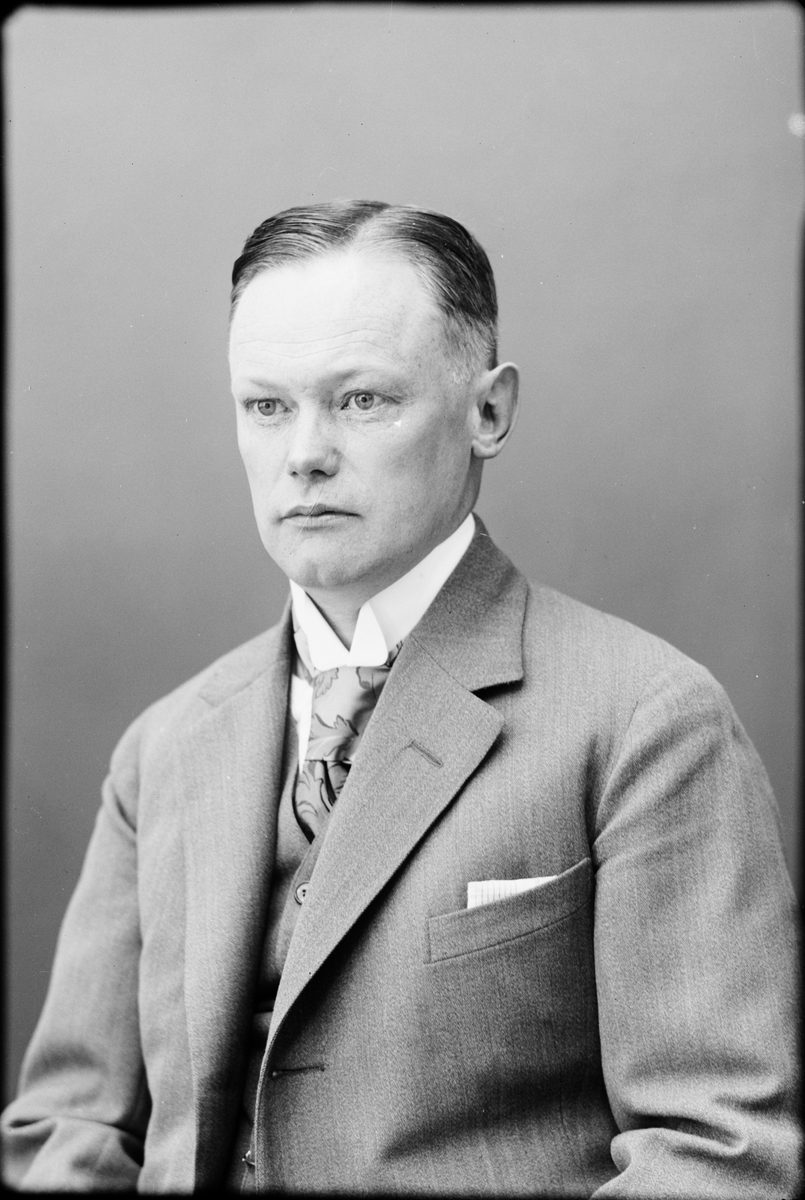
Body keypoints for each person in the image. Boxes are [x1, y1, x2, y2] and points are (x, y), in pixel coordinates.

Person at [1, 201, 799, 1196]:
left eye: (362, 399)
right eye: (266, 407)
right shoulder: (163, 747)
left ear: (488, 413)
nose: (304, 453)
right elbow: (70, 1132)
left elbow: (716, 1154)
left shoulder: (645, 719)